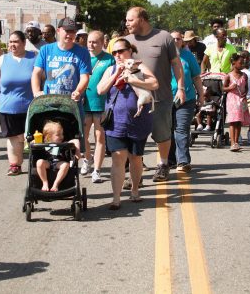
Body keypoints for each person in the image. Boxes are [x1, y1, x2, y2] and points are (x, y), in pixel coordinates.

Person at [125, 7, 185, 183]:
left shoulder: (164, 37)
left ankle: (164, 164)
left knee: (162, 134)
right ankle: (136, 172)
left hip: (161, 97)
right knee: (135, 136)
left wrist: (180, 88)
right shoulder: (126, 41)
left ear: (142, 19)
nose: (127, 23)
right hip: (135, 100)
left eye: (130, 20)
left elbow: (176, 64)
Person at [97, 38, 159, 209]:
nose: (118, 55)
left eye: (121, 51)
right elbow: (100, 90)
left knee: (136, 158)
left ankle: (134, 190)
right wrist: (116, 74)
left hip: (138, 121)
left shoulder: (140, 67)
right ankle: (116, 198)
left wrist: (132, 80)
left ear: (130, 51)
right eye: (114, 52)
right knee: (118, 159)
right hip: (116, 123)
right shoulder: (110, 69)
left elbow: (154, 84)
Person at [0, 30, 36, 176]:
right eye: (10, 42)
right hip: (8, 107)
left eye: (16, 42)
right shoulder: (3, 59)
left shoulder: (34, 58)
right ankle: (15, 165)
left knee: (29, 137)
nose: (12, 45)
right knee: (13, 137)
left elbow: (42, 78)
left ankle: (37, 164)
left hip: (30, 107)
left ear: (24, 43)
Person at [168, 30, 204, 171]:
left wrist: (201, 95)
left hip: (186, 98)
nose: (175, 41)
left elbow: (196, 77)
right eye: (172, 39)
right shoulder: (162, 56)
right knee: (168, 131)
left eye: (178, 39)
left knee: (181, 129)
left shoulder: (188, 56)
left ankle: (183, 161)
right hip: (166, 98)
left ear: (182, 41)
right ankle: (170, 160)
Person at [82, 30, 115, 183]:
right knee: (82, 136)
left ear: (103, 43)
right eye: (89, 41)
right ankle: (87, 159)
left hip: (101, 104)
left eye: (95, 42)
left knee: (99, 137)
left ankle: (97, 170)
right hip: (83, 102)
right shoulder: (83, 57)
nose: (91, 44)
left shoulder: (109, 59)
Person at [35, 121, 81, 192]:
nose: (61, 136)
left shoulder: (63, 144)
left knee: (65, 165)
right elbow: (32, 144)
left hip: (59, 162)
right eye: (58, 135)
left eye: (62, 134)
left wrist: (77, 152)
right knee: (39, 162)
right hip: (47, 162)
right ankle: (45, 182)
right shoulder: (43, 143)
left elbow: (75, 140)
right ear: (48, 136)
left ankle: (56, 184)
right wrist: (33, 142)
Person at [223, 53, 250, 152]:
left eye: (243, 63)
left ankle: (236, 141)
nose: (242, 65)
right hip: (232, 100)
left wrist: (245, 94)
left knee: (239, 121)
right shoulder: (229, 76)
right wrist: (230, 88)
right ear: (234, 63)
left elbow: (246, 87)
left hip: (241, 100)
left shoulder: (245, 76)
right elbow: (223, 88)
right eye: (240, 63)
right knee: (233, 121)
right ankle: (232, 143)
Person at [238, 50, 250, 144]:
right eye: (243, 57)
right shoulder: (239, 70)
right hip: (241, 97)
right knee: (240, 116)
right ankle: (239, 134)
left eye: (247, 57)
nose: (245, 60)